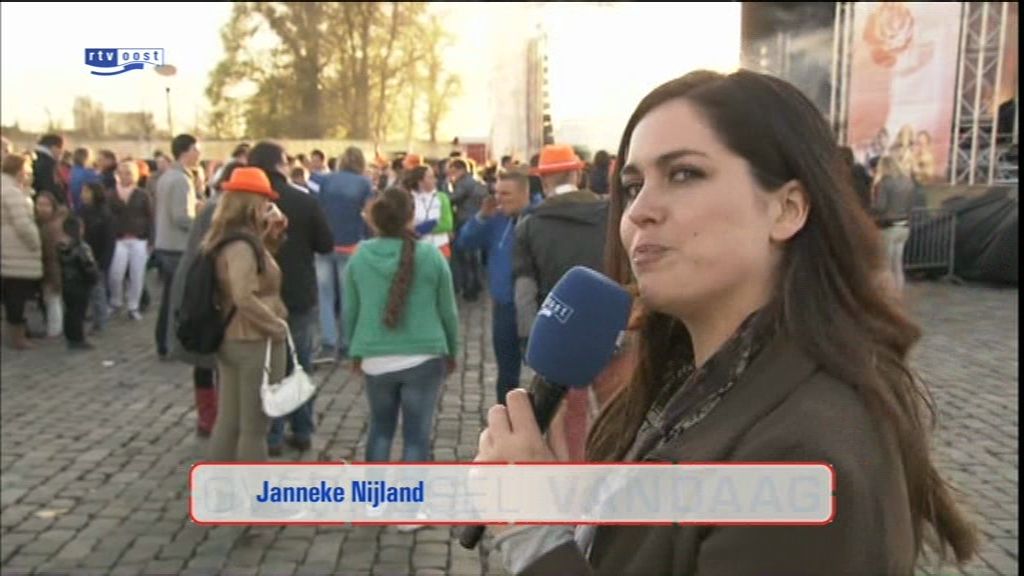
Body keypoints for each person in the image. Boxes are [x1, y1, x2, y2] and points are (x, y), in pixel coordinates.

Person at [478, 69, 978, 575]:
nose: (639, 212)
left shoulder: (801, 454)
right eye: (632, 186)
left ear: (786, 209)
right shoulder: (690, 384)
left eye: (684, 174)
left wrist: (536, 538)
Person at [344, 187, 459, 464]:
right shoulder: (431, 256)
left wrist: (355, 351)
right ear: (411, 216)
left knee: (380, 430)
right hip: (424, 356)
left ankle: (374, 491)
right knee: (416, 437)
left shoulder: (360, 256)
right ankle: (410, 492)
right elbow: (448, 311)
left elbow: (351, 312)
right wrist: (452, 351)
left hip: (375, 357)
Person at [513, 143, 609, 461]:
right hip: (612, 327)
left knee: (567, 415)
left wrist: (530, 340)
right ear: (577, 175)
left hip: (560, 333)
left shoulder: (529, 224)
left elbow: (524, 290)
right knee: (617, 408)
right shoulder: (611, 213)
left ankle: (572, 476)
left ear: (543, 181)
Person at [248, 141, 334, 455]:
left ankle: (271, 434)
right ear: (280, 165)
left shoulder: (246, 203)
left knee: (266, 368)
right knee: (299, 363)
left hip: (256, 295)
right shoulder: (303, 200)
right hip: (297, 292)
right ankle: (302, 428)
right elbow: (325, 243)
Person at [204, 167, 288, 462]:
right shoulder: (241, 244)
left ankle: (219, 484)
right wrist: (275, 326)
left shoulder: (231, 238)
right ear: (253, 203)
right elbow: (243, 295)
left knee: (230, 421)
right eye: (265, 201)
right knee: (253, 427)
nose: (268, 206)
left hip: (235, 335)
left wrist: (270, 237)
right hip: (253, 338)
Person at [456, 168, 537, 405]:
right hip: (504, 306)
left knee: (542, 371)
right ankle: (506, 415)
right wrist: (481, 216)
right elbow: (464, 242)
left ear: (524, 194)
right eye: (497, 193)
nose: (499, 199)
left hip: (535, 304)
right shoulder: (495, 220)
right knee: (507, 372)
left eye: (506, 194)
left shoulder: (539, 218)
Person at [316, 146, 375, 362]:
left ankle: (328, 341)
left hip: (325, 242)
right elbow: (370, 213)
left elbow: (319, 209)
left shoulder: (326, 181)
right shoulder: (364, 183)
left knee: (325, 296)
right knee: (348, 295)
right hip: (351, 243)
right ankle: (347, 343)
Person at [154, 134, 201, 357]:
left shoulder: (167, 176)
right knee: (176, 299)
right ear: (186, 151)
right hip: (176, 247)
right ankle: (168, 343)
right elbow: (181, 217)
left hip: (165, 244)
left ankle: (163, 342)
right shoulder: (181, 180)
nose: (199, 154)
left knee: (169, 298)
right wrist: (200, 224)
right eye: (196, 149)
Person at [1, 154, 43, 350]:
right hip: (16, 250)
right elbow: (22, 224)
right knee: (16, 296)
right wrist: (35, 242)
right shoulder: (12, 192)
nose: (29, 174)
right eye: (27, 170)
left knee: (11, 294)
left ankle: (15, 333)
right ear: (19, 171)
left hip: (7, 247)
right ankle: (17, 337)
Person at [107, 161, 153, 321]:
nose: (125, 176)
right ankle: (116, 302)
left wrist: (151, 240)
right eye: (121, 172)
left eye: (129, 173)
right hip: (118, 239)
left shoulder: (142, 194)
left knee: (137, 275)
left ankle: (133, 306)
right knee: (115, 274)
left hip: (139, 239)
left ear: (136, 175)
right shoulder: (110, 194)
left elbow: (151, 217)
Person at [872, 156, 916, 293]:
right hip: (904, 226)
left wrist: (869, 206)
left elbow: (880, 206)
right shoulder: (908, 182)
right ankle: (898, 293)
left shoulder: (884, 183)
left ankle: (886, 295)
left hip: (888, 226)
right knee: (897, 265)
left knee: (885, 265)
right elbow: (910, 206)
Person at [58, 216, 99, 350]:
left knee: (70, 311)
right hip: (80, 283)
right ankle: (78, 339)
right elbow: (88, 266)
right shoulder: (82, 247)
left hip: (67, 282)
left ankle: (70, 337)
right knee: (79, 313)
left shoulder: (61, 245)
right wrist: (94, 278)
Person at [448, 159, 486, 300]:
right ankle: (477, 284)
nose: (452, 175)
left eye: (453, 172)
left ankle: (470, 290)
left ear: (461, 170)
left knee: (465, 258)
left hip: (464, 221)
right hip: (476, 220)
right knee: (474, 257)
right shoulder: (477, 181)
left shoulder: (464, 183)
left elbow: (452, 199)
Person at [80, 181, 115, 334]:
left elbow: (109, 240)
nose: (83, 195)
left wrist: (104, 261)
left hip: (98, 257)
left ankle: (100, 322)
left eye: (86, 191)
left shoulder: (104, 214)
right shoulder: (82, 211)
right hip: (84, 256)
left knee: (97, 291)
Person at [36, 191, 67, 339]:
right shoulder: (47, 223)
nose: (42, 208)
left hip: (53, 269)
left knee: (52, 299)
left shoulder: (50, 227)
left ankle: (54, 330)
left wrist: (54, 277)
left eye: (46, 205)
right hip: (50, 268)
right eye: (39, 204)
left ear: (53, 207)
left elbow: (52, 256)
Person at [405, 165, 454, 259]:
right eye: (430, 177)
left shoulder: (442, 197)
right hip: (416, 246)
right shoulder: (408, 198)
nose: (435, 180)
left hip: (440, 245)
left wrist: (422, 229)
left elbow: (447, 224)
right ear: (420, 181)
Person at [32, 134, 67, 208]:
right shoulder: (48, 164)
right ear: (54, 148)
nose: (62, 152)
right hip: (48, 207)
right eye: (61, 149)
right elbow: (50, 188)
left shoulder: (34, 160)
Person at [839, 146, 873, 213]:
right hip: (863, 206)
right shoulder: (859, 169)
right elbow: (869, 183)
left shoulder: (842, 173)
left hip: (850, 208)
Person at [69, 148, 99, 214]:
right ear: (86, 158)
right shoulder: (89, 174)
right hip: (86, 208)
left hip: (72, 207)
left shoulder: (70, 171)